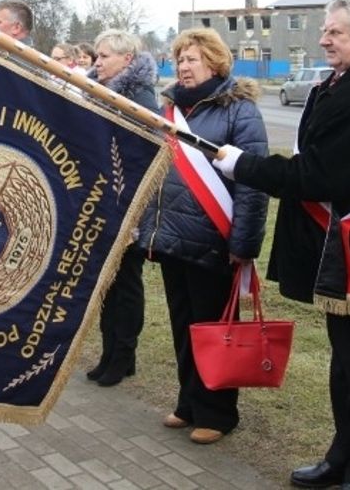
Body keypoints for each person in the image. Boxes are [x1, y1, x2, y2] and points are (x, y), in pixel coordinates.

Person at [212, 0, 350, 488]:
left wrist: (242, 164)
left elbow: (318, 175)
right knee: (348, 365)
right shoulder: (346, 83)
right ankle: (344, 454)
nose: (324, 39)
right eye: (326, 30)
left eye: (336, 32)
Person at [137, 27, 268, 445]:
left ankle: (218, 412)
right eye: (179, 60)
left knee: (215, 328)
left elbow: (253, 183)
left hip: (215, 236)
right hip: (173, 235)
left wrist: (244, 244)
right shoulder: (171, 109)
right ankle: (189, 402)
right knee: (183, 325)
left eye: (191, 59)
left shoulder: (238, 110)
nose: (183, 66)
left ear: (214, 61)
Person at [85, 30, 159, 387]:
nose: (97, 62)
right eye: (96, 56)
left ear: (126, 59)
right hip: (102, 200)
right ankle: (109, 352)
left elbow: (141, 155)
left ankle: (124, 355)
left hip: (128, 205)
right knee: (107, 283)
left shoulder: (139, 96)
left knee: (126, 284)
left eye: (104, 56)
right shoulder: (96, 90)